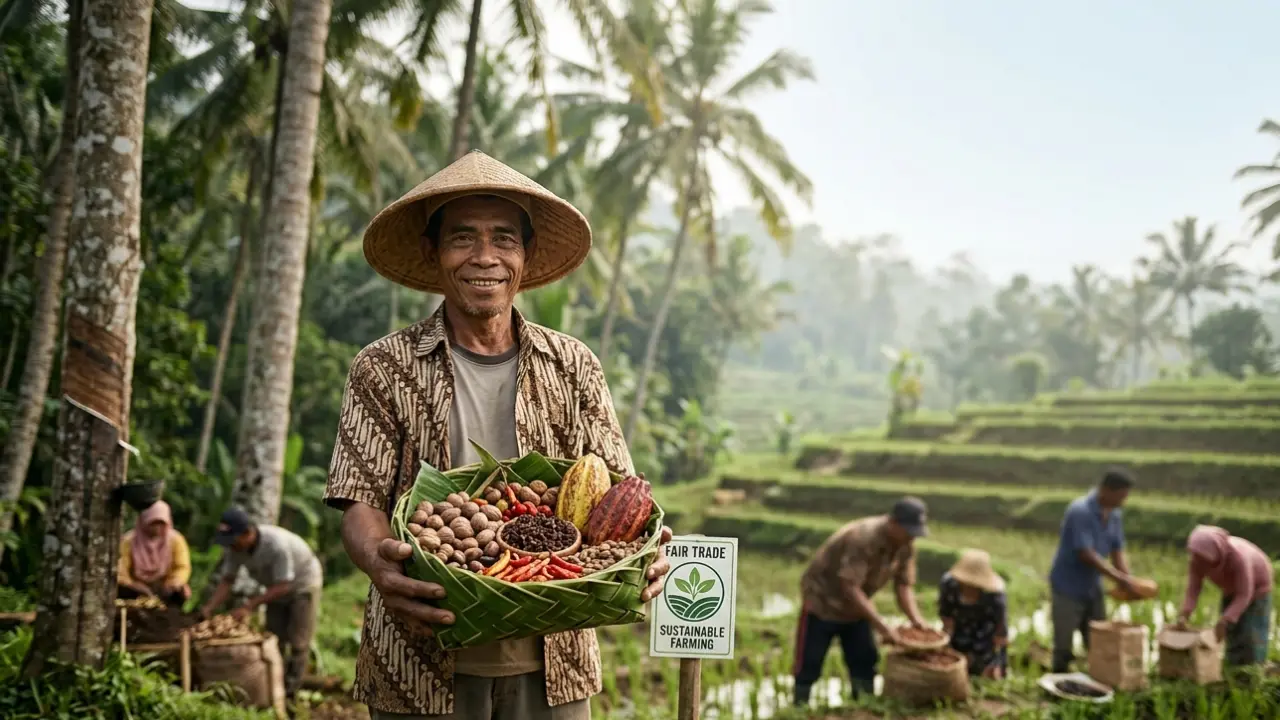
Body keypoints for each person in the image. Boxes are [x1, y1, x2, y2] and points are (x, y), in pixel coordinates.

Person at [323, 150, 673, 719]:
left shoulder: (573, 365)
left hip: (556, 658)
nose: (484, 257)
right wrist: (381, 565)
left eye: (503, 239)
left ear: (525, 255)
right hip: (419, 654)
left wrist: (648, 549)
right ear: (432, 252)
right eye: (462, 238)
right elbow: (360, 502)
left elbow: (623, 494)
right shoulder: (383, 367)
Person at [793, 497, 930, 705]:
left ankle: (863, 708)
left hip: (857, 607)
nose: (912, 537)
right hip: (822, 602)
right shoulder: (863, 538)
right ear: (893, 522)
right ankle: (799, 708)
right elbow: (849, 586)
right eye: (908, 531)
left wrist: (916, 619)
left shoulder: (906, 544)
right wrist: (882, 626)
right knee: (809, 662)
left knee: (865, 660)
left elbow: (903, 585)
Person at [199, 507, 323, 705]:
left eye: (234, 540)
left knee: (299, 642)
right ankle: (275, 686)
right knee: (273, 637)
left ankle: (290, 694)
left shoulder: (275, 545)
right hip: (275, 587)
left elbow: (284, 585)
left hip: (302, 584)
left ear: (247, 533)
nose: (231, 546)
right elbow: (227, 580)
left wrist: (249, 606)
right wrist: (209, 607)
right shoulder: (235, 549)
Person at [1048, 467, 1140, 673]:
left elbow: (1117, 550)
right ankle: (1058, 679)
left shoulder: (1114, 515)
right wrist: (1118, 578)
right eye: (1121, 496)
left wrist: (1127, 578)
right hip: (1068, 586)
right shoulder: (1080, 511)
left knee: (1098, 640)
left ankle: (1097, 679)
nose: (1123, 501)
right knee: (1063, 644)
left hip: (1092, 586)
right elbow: (1086, 554)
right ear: (1106, 490)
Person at [1175, 525, 1274, 667]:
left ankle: (1254, 668)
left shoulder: (1239, 558)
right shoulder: (1197, 560)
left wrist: (1225, 620)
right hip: (1230, 587)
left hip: (1257, 587)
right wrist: (1185, 613)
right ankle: (1233, 666)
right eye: (1197, 557)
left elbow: (1244, 594)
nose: (1201, 563)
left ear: (1215, 553)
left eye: (1205, 559)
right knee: (1230, 631)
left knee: (1251, 631)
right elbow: (1193, 589)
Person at [938, 549, 1008, 679]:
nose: (969, 587)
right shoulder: (949, 585)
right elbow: (947, 619)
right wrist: (945, 647)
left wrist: (998, 663)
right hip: (957, 637)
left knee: (983, 673)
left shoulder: (995, 597)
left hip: (983, 643)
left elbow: (1000, 634)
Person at [117, 500, 192, 606]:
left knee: (179, 592)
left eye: (161, 523)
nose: (157, 527)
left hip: (165, 587)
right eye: (153, 523)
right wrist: (134, 585)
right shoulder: (129, 541)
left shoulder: (175, 540)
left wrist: (174, 582)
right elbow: (121, 570)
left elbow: (182, 567)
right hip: (135, 589)